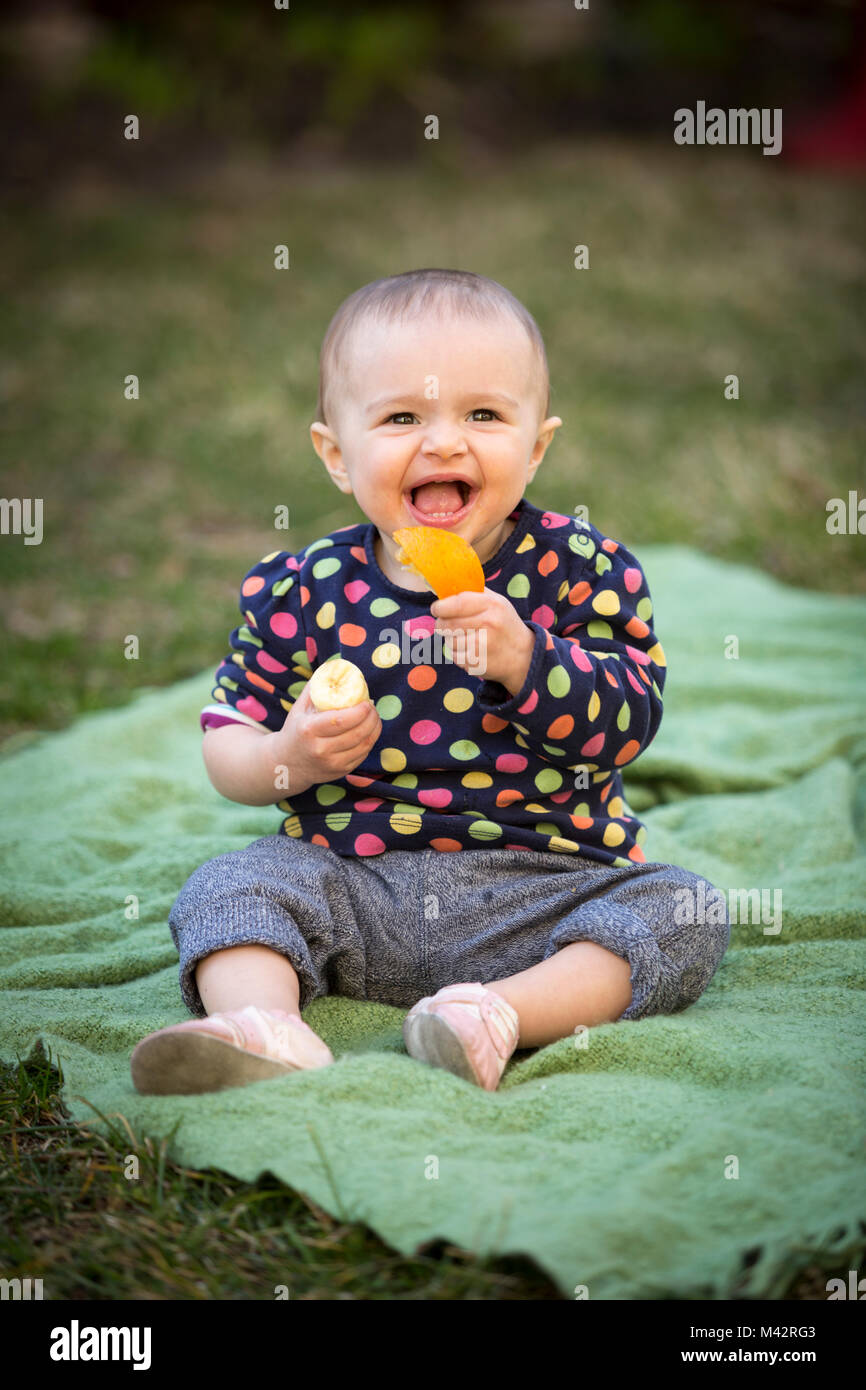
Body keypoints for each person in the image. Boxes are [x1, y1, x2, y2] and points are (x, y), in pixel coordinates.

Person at [130, 268, 730, 1096]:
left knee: (685, 909)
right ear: (337, 455)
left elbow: (628, 720)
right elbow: (227, 740)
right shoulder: (304, 587)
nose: (445, 442)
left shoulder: (582, 570)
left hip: (543, 890)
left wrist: (530, 660)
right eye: (403, 417)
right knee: (229, 885)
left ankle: (497, 1015)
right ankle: (264, 1026)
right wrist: (291, 756)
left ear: (537, 445)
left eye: (483, 415)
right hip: (351, 885)